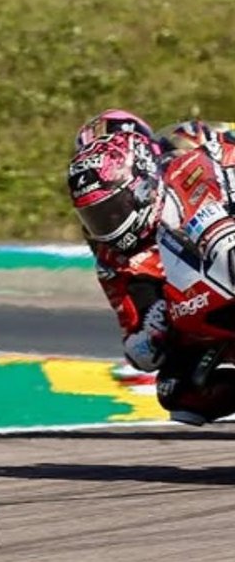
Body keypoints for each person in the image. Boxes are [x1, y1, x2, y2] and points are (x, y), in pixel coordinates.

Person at [68, 116, 235, 424]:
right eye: (98, 215)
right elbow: (137, 351)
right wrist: (155, 324)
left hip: (226, 254)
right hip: (198, 314)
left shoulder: (194, 164)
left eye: (114, 210)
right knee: (176, 393)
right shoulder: (113, 258)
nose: (107, 223)